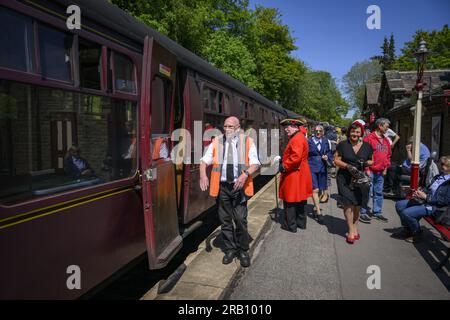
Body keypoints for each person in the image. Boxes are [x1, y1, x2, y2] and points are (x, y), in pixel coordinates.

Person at [199, 116, 260, 268]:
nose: (227, 129)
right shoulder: (217, 142)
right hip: (223, 187)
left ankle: (243, 250)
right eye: (225, 126)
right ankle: (230, 250)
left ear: (238, 128)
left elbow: (255, 164)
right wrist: (202, 175)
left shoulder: (247, 142)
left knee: (240, 219)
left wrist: (245, 174)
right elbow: (203, 160)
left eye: (230, 127)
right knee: (225, 220)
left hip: (239, 187)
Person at [393, 156, 450, 243]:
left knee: (407, 213)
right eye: (441, 164)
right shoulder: (438, 176)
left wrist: (426, 197)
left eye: (444, 165)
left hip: (435, 207)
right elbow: (428, 189)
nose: (441, 166)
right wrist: (419, 192)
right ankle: (408, 229)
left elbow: (445, 201)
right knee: (399, 205)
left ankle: (417, 232)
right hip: (425, 201)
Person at [334, 123, 374, 244]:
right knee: (348, 203)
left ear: (361, 133)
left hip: (360, 179)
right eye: (352, 132)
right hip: (344, 178)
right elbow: (336, 160)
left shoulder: (367, 146)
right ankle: (351, 230)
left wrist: (365, 164)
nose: (355, 134)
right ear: (349, 132)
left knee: (357, 204)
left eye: (357, 132)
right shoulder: (342, 145)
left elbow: (372, 160)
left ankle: (355, 226)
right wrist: (348, 166)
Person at [278, 118, 313, 232]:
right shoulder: (300, 137)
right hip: (301, 172)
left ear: (294, 126)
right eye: (285, 127)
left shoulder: (296, 139)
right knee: (301, 199)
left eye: (287, 127)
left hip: (294, 173)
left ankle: (290, 225)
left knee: (290, 199)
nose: (285, 129)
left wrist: (284, 166)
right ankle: (301, 223)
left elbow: (295, 158)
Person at [361, 118, 392, 223]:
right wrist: (366, 168)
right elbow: (363, 155)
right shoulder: (369, 138)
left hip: (380, 171)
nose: (388, 129)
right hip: (370, 171)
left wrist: (386, 168)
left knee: (378, 193)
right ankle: (363, 212)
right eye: (386, 126)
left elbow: (388, 156)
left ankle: (377, 212)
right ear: (380, 126)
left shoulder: (386, 140)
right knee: (367, 192)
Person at [308, 125, 332, 224]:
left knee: (320, 190)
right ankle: (318, 213)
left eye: (320, 131)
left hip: (322, 168)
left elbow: (329, 152)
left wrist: (327, 157)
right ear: (313, 131)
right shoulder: (308, 141)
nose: (318, 133)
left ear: (323, 132)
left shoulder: (326, 141)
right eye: (316, 131)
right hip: (312, 167)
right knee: (315, 189)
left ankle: (314, 208)